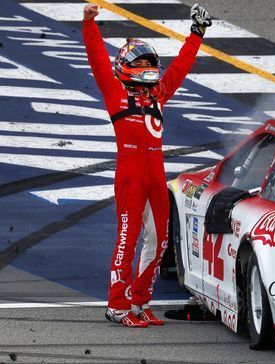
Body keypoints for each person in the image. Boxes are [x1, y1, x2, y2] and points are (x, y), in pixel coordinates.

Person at [82, 2, 212, 327]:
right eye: (140, 62)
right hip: (130, 178)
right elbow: (98, 60)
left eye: (150, 61)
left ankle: (140, 302)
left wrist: (197, 33)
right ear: (125, 65)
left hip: (157, 179)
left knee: (160, 241)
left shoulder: (158, 94)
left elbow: (180, 67)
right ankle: (117, 305)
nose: (147, 66)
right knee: (129, 237)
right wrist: (89, 24)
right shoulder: (115, 94)